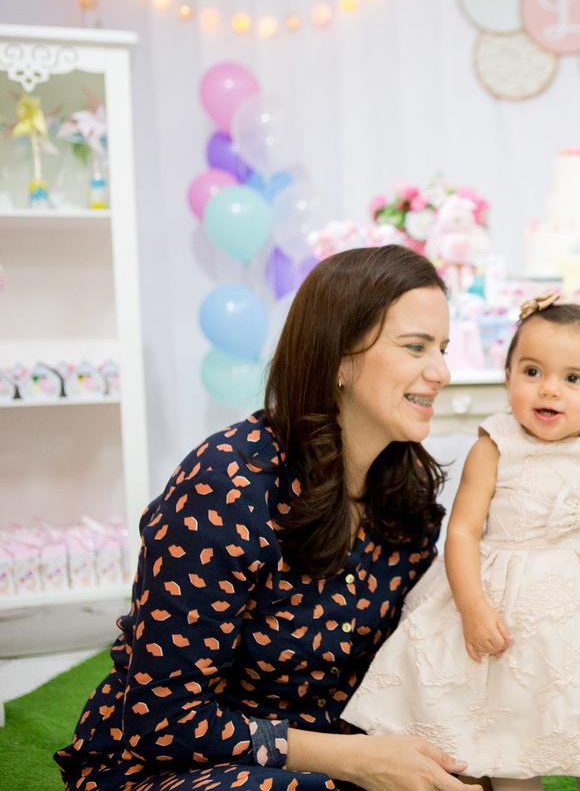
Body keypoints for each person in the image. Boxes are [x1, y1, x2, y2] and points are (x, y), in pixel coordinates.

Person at [55, 245, 482, 791]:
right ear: (336, 358)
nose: (442, 371)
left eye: (443, 348)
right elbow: (163, 723)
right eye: (416, 346)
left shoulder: (406, 488)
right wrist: (354, 761)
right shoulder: (225, 483)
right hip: (176, 766)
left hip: (332, 753)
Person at [342, 296, 580, 791]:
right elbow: (462, 531)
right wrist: (473, 608)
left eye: (574, 379)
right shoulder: (496, 444)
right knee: (508, 722)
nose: (550, 390)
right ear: (508, 377)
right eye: (532, 371)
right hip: (509, 606)